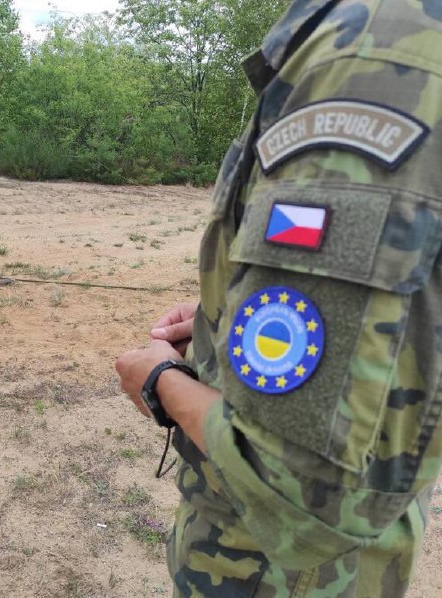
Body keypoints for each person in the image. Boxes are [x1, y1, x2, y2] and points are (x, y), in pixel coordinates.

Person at [115, 1, 442, 596]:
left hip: (278, 575)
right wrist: (223, 319)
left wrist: (162, 382)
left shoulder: (368, 51)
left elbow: (305, 493)